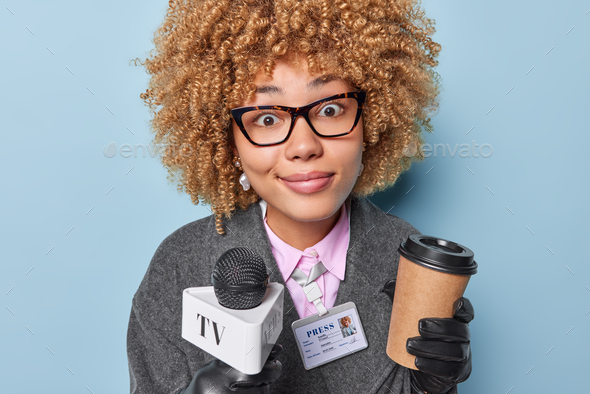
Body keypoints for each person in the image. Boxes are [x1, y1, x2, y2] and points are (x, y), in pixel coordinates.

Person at [127, 1, 475, 393]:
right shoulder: (178, 265)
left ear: (372, 121)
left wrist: (434, 387)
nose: (304, 146)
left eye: (330, 108)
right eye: (268, 118)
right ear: (227, 140)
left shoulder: (406, 260)